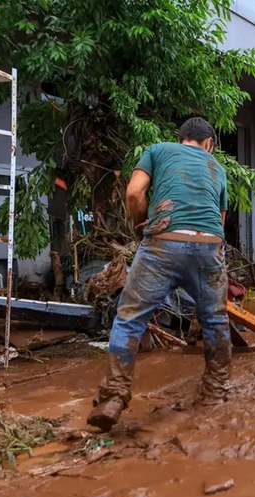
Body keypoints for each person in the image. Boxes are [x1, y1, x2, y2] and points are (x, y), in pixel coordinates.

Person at [87, 117, 232, 431]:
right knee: (215, 319)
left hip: (163, 242)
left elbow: (133, 194)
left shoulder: (157, 150)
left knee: (130, 317)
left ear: (181, 139)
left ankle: (114, 396)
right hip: (209, 246)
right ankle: (216, 393)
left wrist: (141, 223)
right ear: (209, 144)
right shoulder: (217, 169)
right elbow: (219, 223)